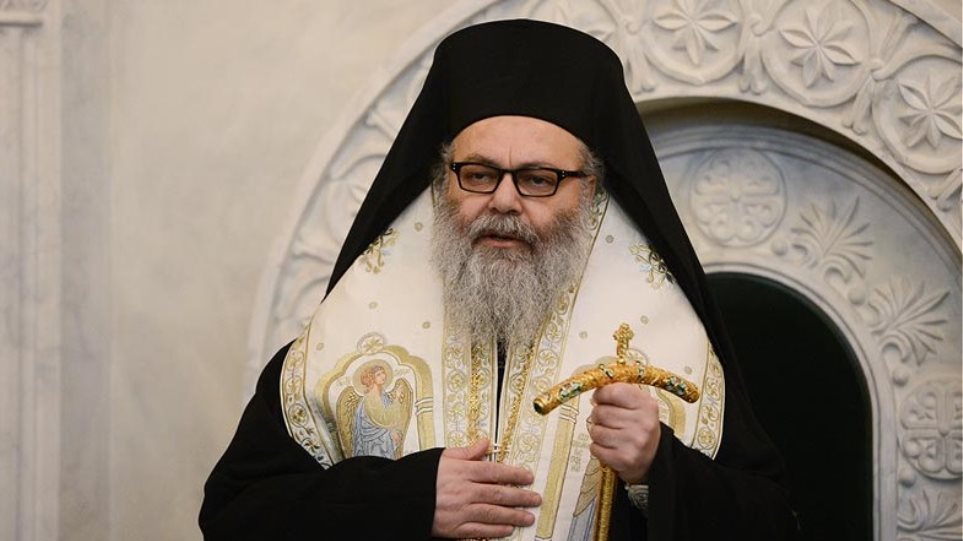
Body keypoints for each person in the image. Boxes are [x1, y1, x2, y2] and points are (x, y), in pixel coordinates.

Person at [200, 19, 799, 540]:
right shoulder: (355, 323)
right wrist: (407, 500)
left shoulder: (664, 333)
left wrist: (658, 469)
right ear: (444, 181)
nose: (504, 201)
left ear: (589, 190)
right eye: (480, 174)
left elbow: (771, 523)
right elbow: (237, 514)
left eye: (538, 179)